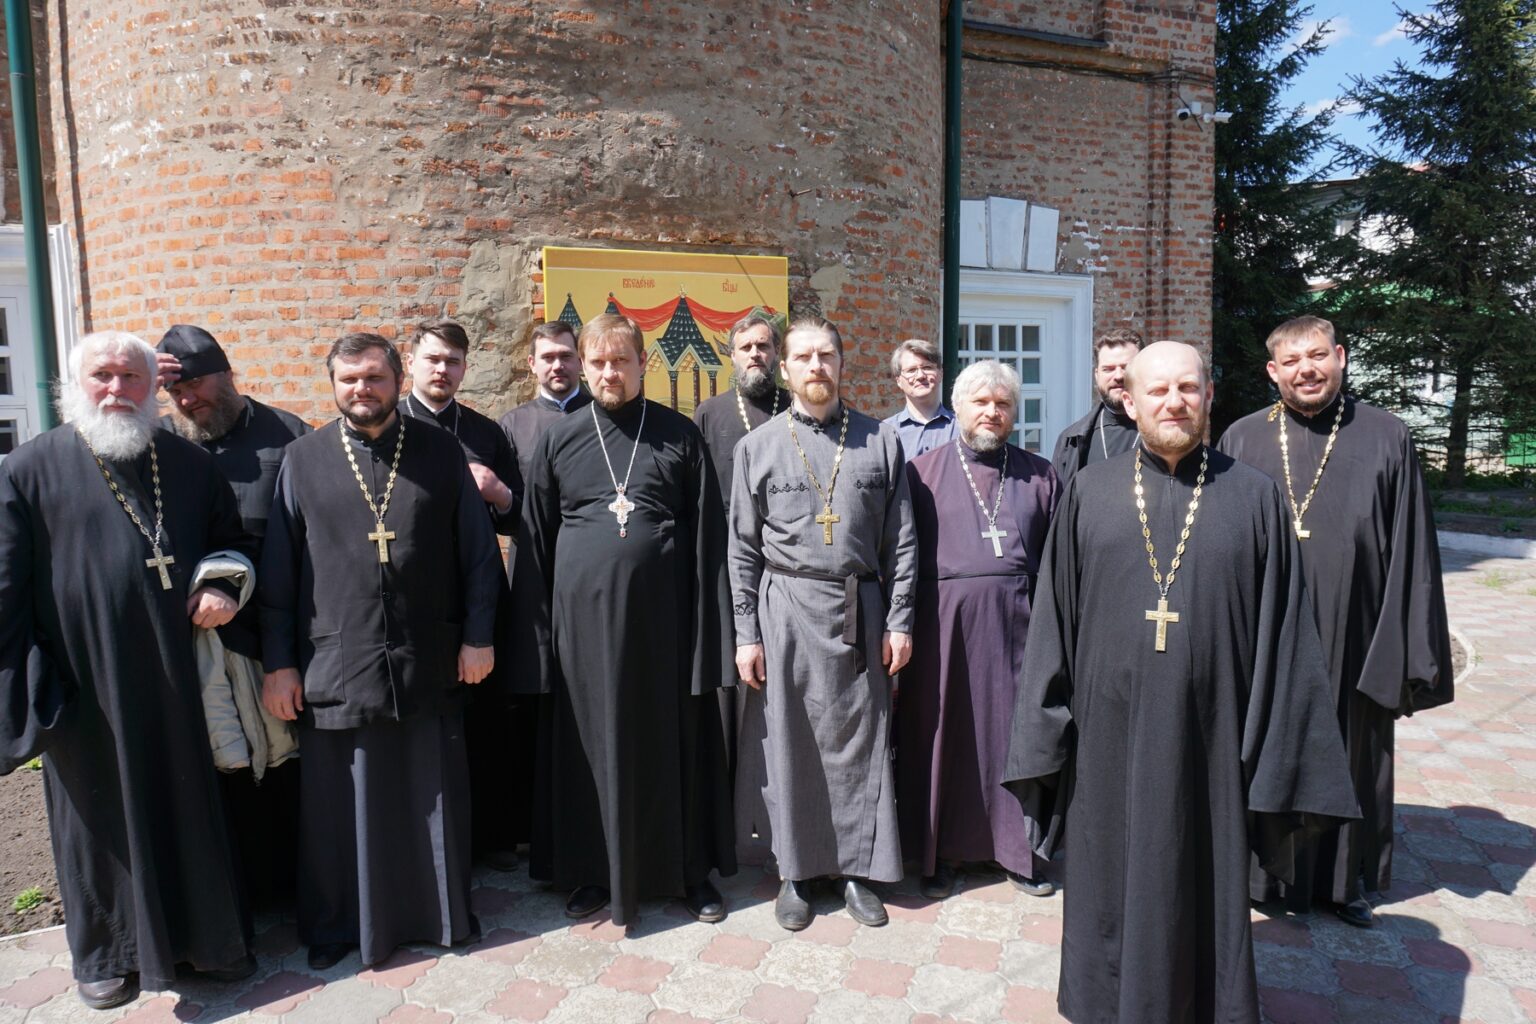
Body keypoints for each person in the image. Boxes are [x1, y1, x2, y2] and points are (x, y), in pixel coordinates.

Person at [1003, 340, 1359, 1024]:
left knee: (1205, 880)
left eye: (1188, 389)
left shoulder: (1254, 497)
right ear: (1128, 401)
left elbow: (1287, 636)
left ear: (1208, 396)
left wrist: (1275, 755)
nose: (1175, 402)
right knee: (1108, 883)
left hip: (1213, 742)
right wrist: (1046, 736)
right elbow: (1052, 625)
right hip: (1107, 744)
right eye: (1158, 391)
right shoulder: (1087, 493)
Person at [0, 331, 256, 1009]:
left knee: (187, 807)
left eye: (132, 377)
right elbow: (3, 593)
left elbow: (232, 542)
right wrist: (27, 687)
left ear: (154, 386)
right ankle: (105, 955)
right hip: (85, 680)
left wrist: (223, 587)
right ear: (73, 387)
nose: (117, 390)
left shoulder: (190, 464)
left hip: (177, 673)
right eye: (102, 377)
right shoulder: (28, 469)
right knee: (97, 823)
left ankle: (209, 940)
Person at [260, 332, 503, 970]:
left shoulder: (440, 452)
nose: (361, 389)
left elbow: (478, 554)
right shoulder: (303, 459)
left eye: (374, 377)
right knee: (341, 805)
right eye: (349, 379)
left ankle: (439, 915)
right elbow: (279, 573)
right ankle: (340, 925)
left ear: (396, 381)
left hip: (428, 653)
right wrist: (279, 662)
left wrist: (479, 636)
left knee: (430, 793)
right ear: (333, 385)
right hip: (335, 661)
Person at [1217, 315, 1453, 928]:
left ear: (1340, 356)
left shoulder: (1386, 435)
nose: (1307, 370)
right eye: (1291, 362)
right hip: (1265, 634)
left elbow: (1412, 549)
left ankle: (1345, 884)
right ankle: (1265, 876)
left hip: (1357, 631)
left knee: (1351, 754)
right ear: (1273, 372)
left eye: (1317, 356)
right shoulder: (1241, 438)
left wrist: (1404, 651)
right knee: (1269, 748)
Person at [510, 313, 735, 927]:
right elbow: (535, 543)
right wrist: (535, 645)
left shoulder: (679, 436)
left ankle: (688, 873)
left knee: (673, 749)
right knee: (587, 750)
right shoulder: (558, 439)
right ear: (584, 365)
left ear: (643, 364)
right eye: (599, 362)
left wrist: (710, 640)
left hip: (666, 631)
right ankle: (589, 871)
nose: (611, 373)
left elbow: (708, 541)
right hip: (580, 634)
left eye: (622, 361)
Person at [730, 315, 917, 932]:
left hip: (859, 609)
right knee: (789, 742)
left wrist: (899, 620)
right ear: (784, 369)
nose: (816, 366)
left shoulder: (879, 441)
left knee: (860, 746)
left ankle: (859, 872)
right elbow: (742, 550)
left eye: (826, 355)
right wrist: (746, 632)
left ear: (842, 363)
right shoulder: (756, 448)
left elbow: (903, 542)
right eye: (803, 357)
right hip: (786, 608)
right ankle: (795, 872)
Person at [157, 323, 309, 910]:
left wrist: (284, 656)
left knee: (284, 771)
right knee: (214, 777)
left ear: (227, 373)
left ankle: (294, 895)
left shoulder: (290, 439)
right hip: (190, 642)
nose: (188, 399)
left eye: (197, 384)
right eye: (177, 392)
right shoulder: (162, 445)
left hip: (270, 637)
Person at [898, 359, 1060, 900]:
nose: (992, 413)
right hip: (943, 634)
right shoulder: (922, 472)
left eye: (1003, 404)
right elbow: (900, 557)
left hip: (1021, 633)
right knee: (944, 738)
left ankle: (1016, 851)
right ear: (959, 408)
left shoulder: (1040, 475)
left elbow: (1061, 563)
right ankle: (939, 851)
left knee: (1013, 739)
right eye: (981, 403)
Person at [398, 318, 526, 872]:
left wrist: (499, 494)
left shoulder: (485, 432)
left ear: (465, 369)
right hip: (415, 596)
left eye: (452, 362)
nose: (442, 371)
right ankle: (423, 841)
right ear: (411, 363)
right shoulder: (389, 426)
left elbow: (516, 517)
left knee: (486, 717)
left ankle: (491, 837)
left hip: (479, 593)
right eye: (432, 360)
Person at [692, 313, 793, 783]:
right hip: (724, 559)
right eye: (746, 347)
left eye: (764, 346)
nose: (756, 354)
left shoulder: (794, 407)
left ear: (776, 354)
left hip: (785, 561)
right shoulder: (709, 414)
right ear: (731, 356)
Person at [498, 320, 592, 519]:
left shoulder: (604, 418)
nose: (558, 366)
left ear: (580, 360)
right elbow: (505, 509)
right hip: (532, 545)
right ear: (532, 363)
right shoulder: (511, 426)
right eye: (548, 358)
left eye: (566, 356)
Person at [1051, 327, 1144, 488]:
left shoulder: (1165, 432)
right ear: (1096, 375)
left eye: (1126, 367)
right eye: (1108, 369)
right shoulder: (1071, 441)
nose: (1118, 376)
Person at [882, 338, 957, 460]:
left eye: (927, 367)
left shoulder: (962, 427)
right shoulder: (886, 432)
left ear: (941, 373)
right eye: (911, 370)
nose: (921, 376)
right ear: (899, 381)